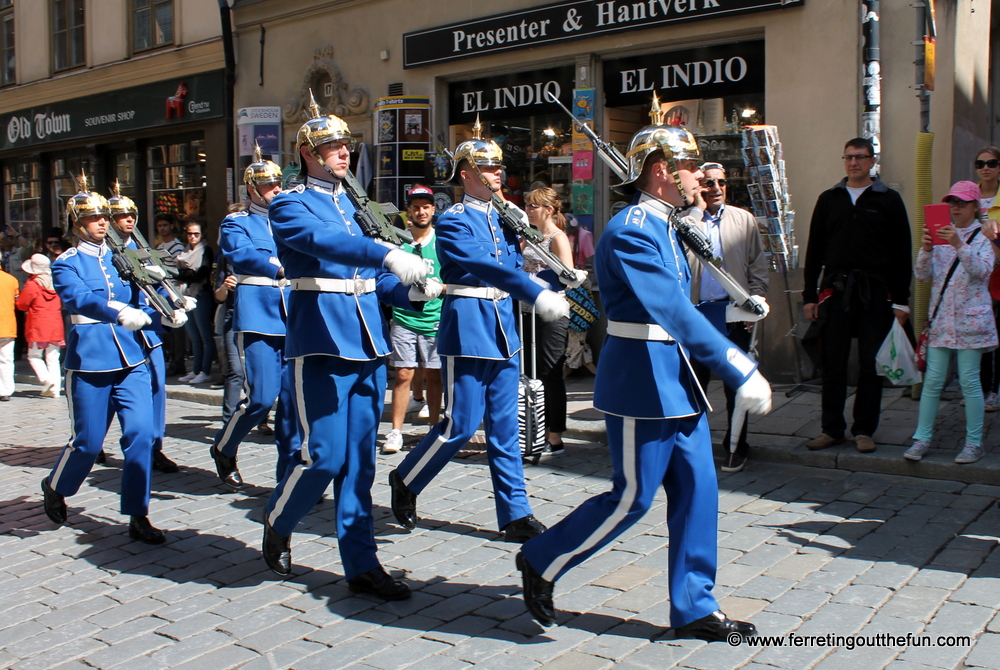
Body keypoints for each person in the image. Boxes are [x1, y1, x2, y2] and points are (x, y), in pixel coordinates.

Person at [515, 109, 771, 642]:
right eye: (690, 165)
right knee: (632, 496)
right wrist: (736, 363)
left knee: (699, 489)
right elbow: (671, 308)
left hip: (677, 378)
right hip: (643, 380)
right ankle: (541, 559)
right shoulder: (632, 229)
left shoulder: (669, 225)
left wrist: (735, 315)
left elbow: (687, 305)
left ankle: (695, 605)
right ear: (660, 170)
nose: (700, 175)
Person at [261, 95, 437, 598]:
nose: (345, 153)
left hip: (367, 343)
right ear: (310, 152)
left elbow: (373, 282)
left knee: (360, 462)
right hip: (320, 342)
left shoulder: (356, 206)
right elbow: (326, 245)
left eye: (346, 145)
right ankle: (279, 516)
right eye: (334, 146)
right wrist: (387, 252)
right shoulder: (291, 203)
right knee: (324, 457)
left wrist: (410, 287)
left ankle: (361, 563)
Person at [388, 120, 572, 544]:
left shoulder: (507, 217)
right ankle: (408, 478)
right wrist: (532, 288)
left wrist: (561, 279)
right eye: (487, 170)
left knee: (506, 427)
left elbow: (518, 266)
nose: (497, 175)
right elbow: (485, 268)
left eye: (498, 169)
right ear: (466, 174)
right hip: (468, 325)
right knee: (460, 424)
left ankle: (515, 513)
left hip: (504, 326)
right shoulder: (453, 221)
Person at [40, 179, 181, 544]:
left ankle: (138, 513)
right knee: (87, 442)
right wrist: (117, 311)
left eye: (104, 216)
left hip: (132, 357)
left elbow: (144, 292)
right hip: (90, 360)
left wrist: (168, 310)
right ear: (77, 224)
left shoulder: (125, 257)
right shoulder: (65, 263)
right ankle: (56, 485)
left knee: (140, 436)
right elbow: (79, 299)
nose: (102, 223)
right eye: (92, 218)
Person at [802, 138, 911, 454]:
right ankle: (832, 429)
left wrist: (901, 301)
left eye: (860, 157)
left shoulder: (888, 200)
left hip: (875, 292)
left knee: (870, 365)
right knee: (832, 362)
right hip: (836, 290)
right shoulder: (829, 199)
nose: (854, 163)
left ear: (872, 161)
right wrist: (810, 295)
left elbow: (902, 253)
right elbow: (815, 251)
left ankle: (864, 429)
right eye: (849, 157)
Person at [209, 147, 298, 491]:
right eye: (268, 185)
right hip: (260, 314)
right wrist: (276, 266)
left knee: (292, 404)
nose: (275, 189)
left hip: (295, 314)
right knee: (262, 397)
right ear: (251, 189)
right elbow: (242, 254)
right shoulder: (236, 221)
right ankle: (224, 446)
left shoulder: (291, 219)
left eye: (278, 183)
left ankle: (288, 479)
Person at [687, 162, 769, 473]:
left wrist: (755, 303)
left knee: (738, 384)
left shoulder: (743, 219)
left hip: (735, 315)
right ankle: (693, 446)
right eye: (709, 183)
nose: (716, 188)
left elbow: (758, 269)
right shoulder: (684, 222)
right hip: (697, 315)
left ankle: (736, 447)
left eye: (721, 182)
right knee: (695, 384)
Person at [906, 183, 997, 463]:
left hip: (972, 322)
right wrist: (926, 249)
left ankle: (973, 443)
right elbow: (922, 275)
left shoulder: (982, 237)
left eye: (962, 202)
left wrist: (959, 245)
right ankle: (922, 438)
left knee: (970, 382)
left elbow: (982, 271)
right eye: (952, 202)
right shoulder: (940, 235)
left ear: (975, 207)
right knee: (933, 382)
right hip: (942, 321)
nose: (956, 207)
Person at [103, 184, 181, 473]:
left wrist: (174, 300)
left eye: (131, 214)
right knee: (112, 393)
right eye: (121, 215)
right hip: (119, 329)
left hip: (147, 328)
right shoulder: (104, 251)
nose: (129, 219)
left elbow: (162, 277)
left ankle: (154, 446)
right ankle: (94, 441)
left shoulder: (141, 246)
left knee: (157, 386)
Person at [383, 185, 445, 455]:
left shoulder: (442, 243)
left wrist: (439, 288)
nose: (421, 211)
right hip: (404, 317)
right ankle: (395, 431)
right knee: (403, 374)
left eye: (426, 206)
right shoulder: (400, 241)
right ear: (409, 211)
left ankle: (433, 429)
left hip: (435, 318)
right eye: (416, 207)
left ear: (433, 209)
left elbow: (452, 280)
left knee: (434, 376)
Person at [521, 186, 575, 453]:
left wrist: (539, 281)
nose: (528, 211)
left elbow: (568, 276)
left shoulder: (557, 237)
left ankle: (555, 434)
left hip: (551, 310)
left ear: (548, 210)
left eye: (533, 206)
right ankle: (533, 429)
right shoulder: (526, 237)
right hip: (526, 310)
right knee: (529, 372)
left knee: (550, 371)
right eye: (527, 206)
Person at [15, 254, 64, 398]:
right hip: (55, 323)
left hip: (38, 325)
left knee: (34, 356)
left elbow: (22, 304)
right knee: (53, 358)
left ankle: (46, 380)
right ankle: (55, 390)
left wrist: (18, 299)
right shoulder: (55, 282)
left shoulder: (32, 284)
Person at [974, 147, 1000, 412]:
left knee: (996, 333)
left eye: (992, 163)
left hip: (998, 272)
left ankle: (993, 390)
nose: (986, 167)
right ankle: (978, 389)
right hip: (973, 273)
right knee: (979, 334)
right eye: (980, 163)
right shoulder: (969, 196)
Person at [175, 221, 216, 384]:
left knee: (205, 335)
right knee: (193, 336)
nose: (192, 237)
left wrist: (184, 274)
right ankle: (196, 369)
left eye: (196, 234)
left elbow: (201, 274)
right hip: (185, 295)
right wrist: (187, 274)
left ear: (202, 235)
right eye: (190, 233)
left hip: (200, 295)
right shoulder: (184, 251)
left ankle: (205, 370)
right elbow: (176, 272)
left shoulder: (206, 250)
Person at [153, 213, 187, 376]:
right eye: (159, 226)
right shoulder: (159, 248)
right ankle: (172, 359)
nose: (162, 228)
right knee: (168, 330)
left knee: (178, 330)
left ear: (172, 226)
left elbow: (176, 271)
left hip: (175, 290)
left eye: (165, 225)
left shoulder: (177, 246)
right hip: (162, 291)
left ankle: (178, 362)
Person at [0, 264, 17, 400]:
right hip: (8, 325)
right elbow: (17, 300)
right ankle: (7, 389)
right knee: (7, 359)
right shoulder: (11, 279)